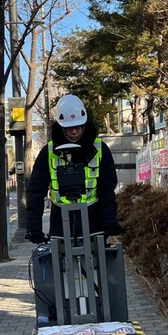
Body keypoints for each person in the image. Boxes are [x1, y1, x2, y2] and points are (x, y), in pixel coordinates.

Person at [25, 94, 123, 243]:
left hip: (93, 220)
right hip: (60, 222)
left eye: (78, 127)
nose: (74, 132)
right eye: (69, 128)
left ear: (84, 124)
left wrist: (110, 221)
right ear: (60, 126)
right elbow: (36, 191)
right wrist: (34, 228)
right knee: (58, 262)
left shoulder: (99, 149)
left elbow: (107, 189)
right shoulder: (49, 152)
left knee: (100, 262)